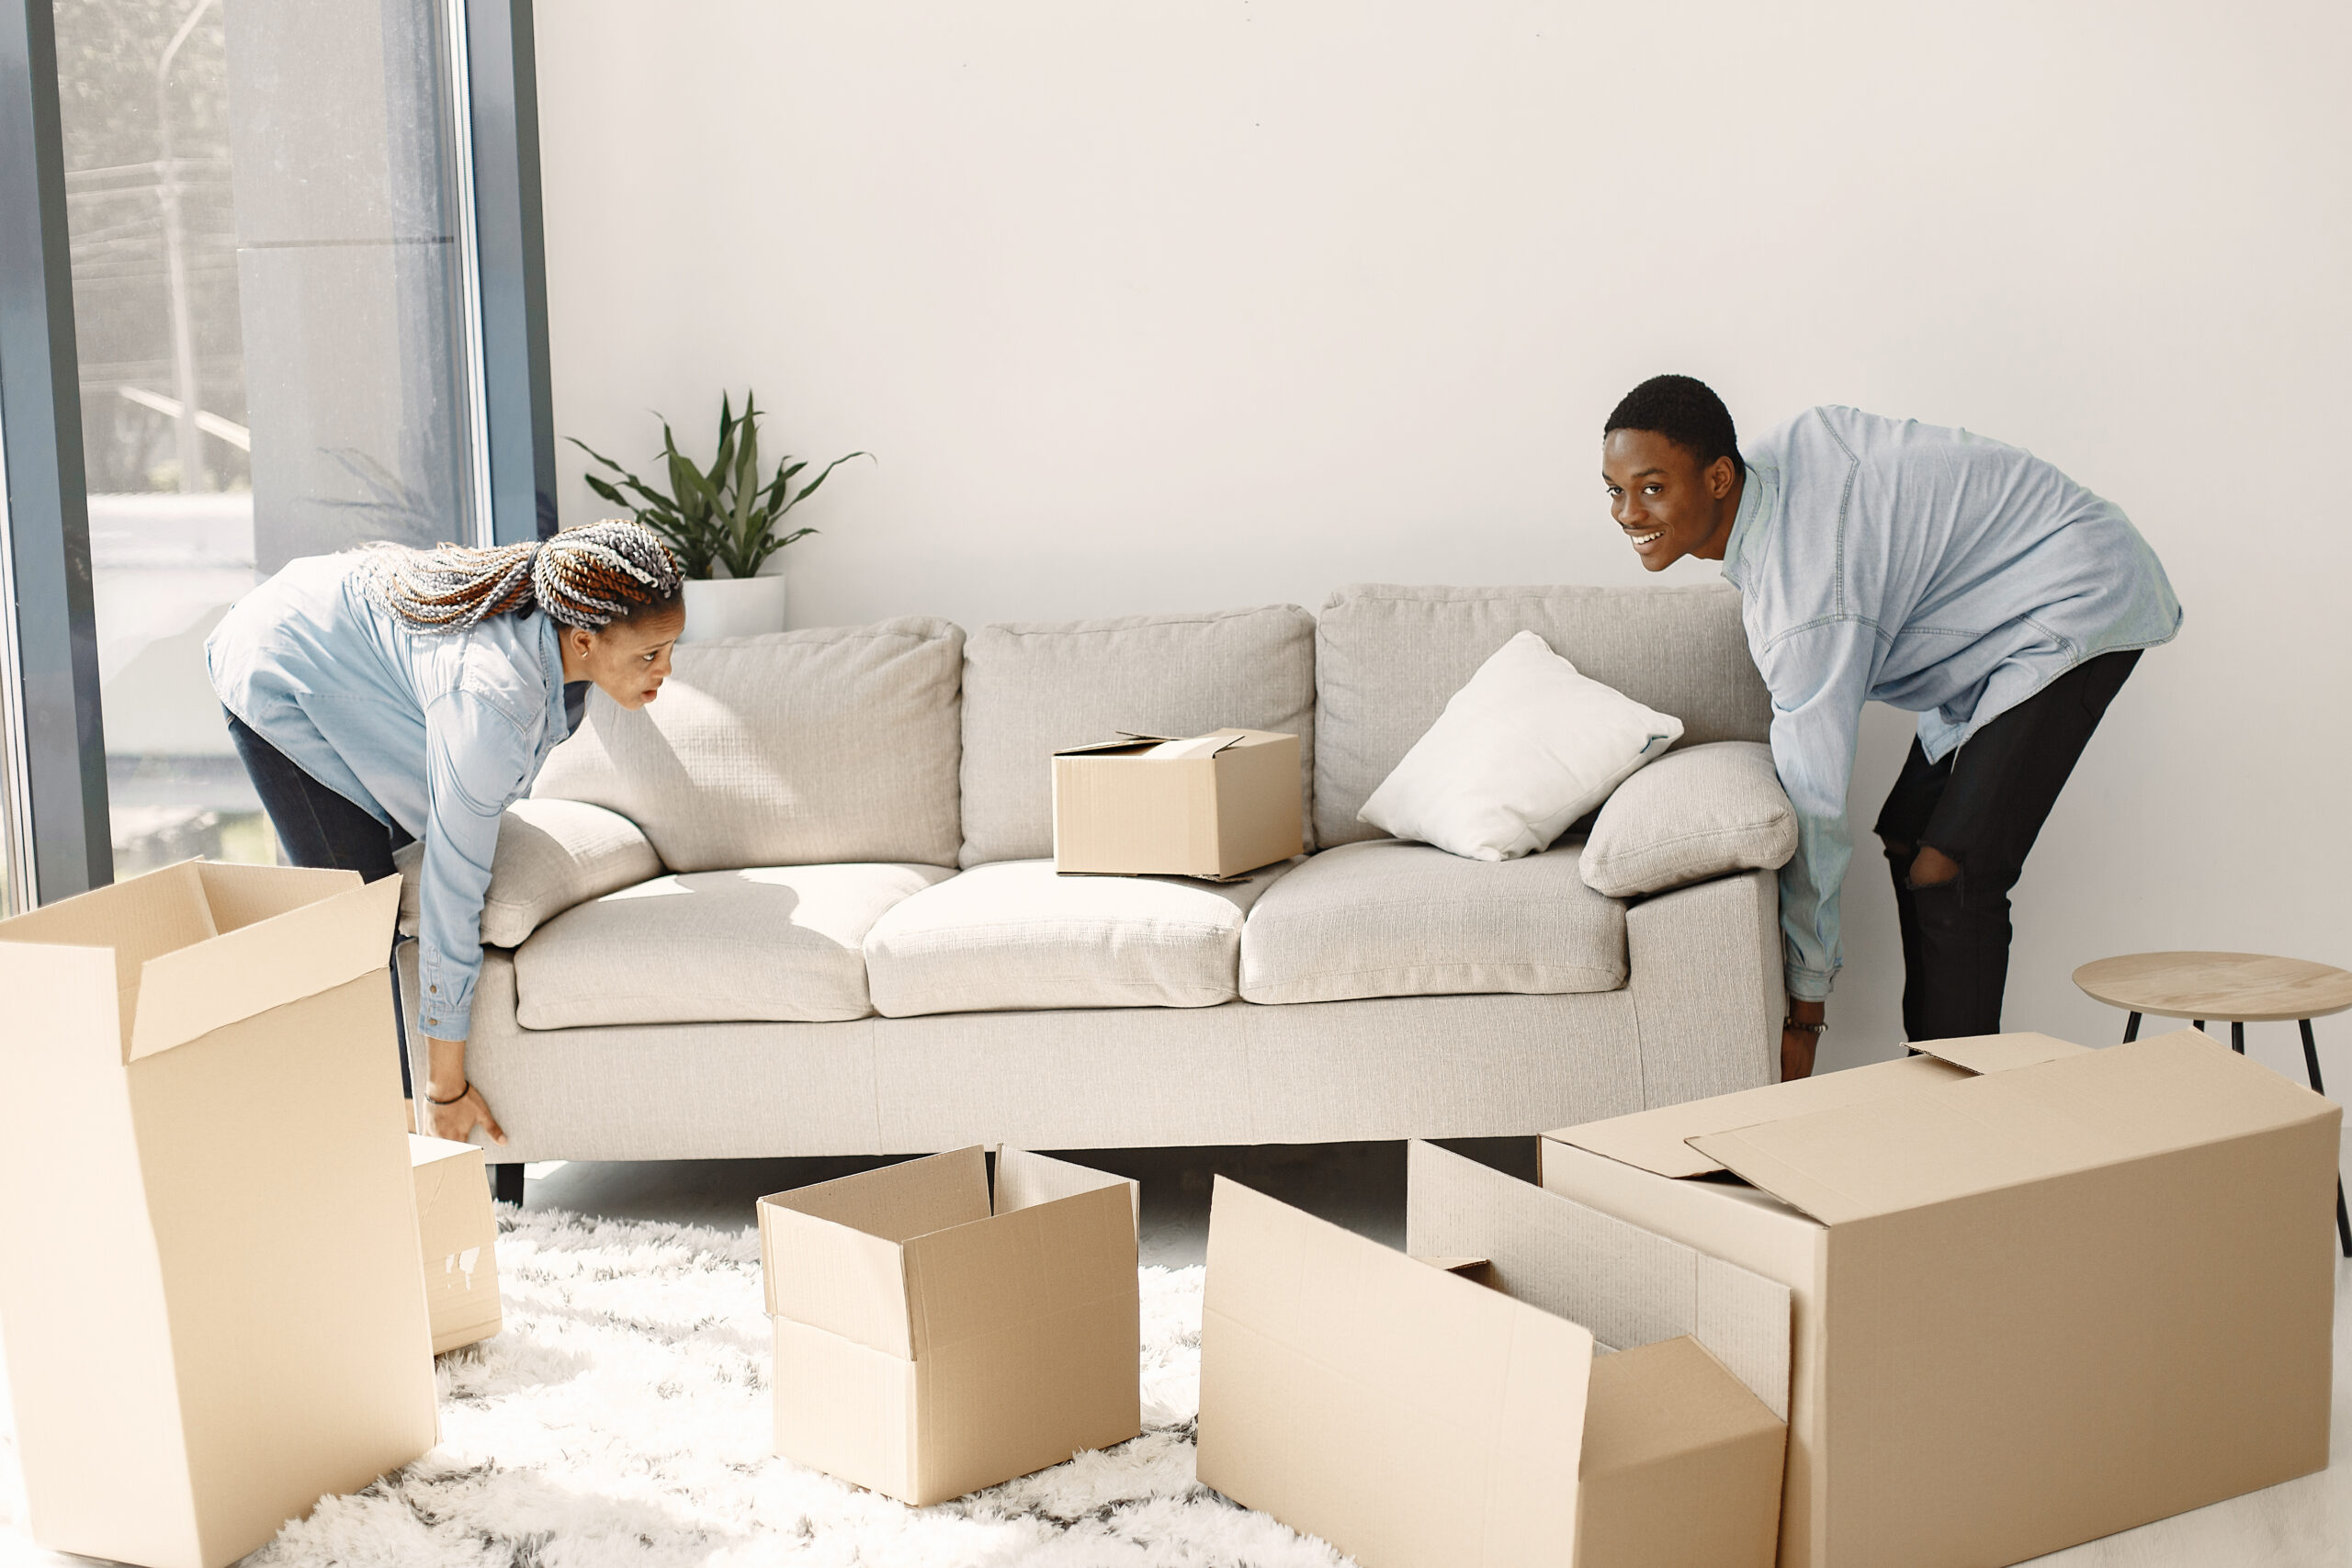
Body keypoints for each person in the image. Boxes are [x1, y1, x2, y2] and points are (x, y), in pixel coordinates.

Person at [1599, 376, 2181, 1080]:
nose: (1629, 513)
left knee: (1951, 868)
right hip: (1988, 612)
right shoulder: (1769, 486)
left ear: (1719, 477)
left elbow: (1814, 812)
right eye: (1615, 490)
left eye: (1652, 488)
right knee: (1907, 836)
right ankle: (1929, 1080)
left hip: (2079, 590)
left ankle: (1961, 1121)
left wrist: (1804, 1010)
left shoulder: (1806, 598)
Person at [207, 520, 684, 1142]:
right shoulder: (489, 707)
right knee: (360, 925)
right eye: (649, 654)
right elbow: (450, 899)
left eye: (671, 647)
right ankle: (355, 1145)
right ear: (585, 640)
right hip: (277, 660)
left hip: (336, 637)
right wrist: (445, 1090)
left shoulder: (557, 641)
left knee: (385, 879)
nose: (666, 669)